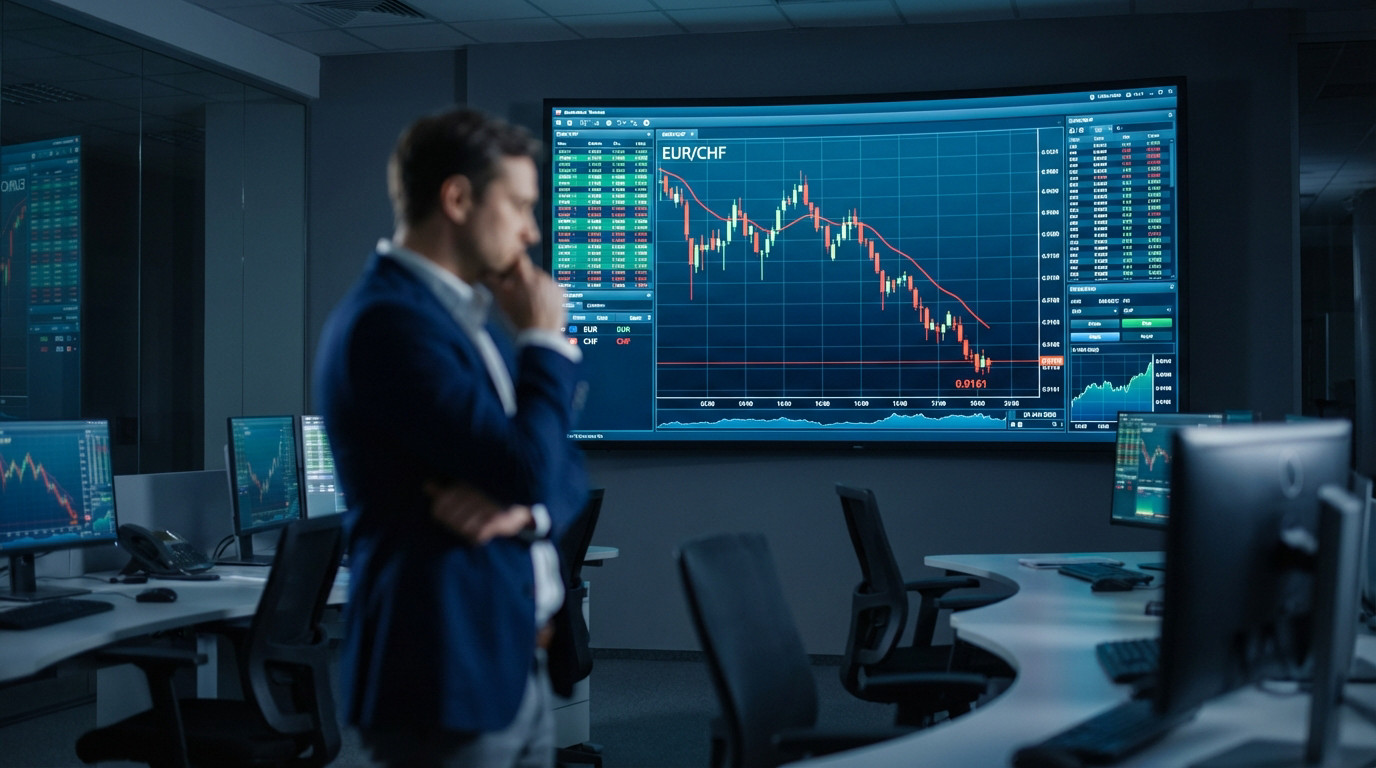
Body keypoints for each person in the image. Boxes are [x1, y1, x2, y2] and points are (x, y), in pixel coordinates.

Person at [313, 107, 588, 767]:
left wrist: (527, 506)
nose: (532, 231)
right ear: (458, 198)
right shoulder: (391, 325)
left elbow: (560, 468)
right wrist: (545, 341)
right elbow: (528, 462)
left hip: (502, 661)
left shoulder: (457, 320)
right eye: (520, 205)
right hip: (442, 676)